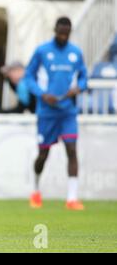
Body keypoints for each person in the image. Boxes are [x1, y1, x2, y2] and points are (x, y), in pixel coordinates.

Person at [25, 17, 88, 210]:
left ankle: (72, 198)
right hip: (47, 112)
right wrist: (42, 95)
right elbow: (29, 76)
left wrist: (78, 89)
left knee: (72, 150)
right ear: (55, 30)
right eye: (60, 32)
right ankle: (35, 191)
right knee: (43, 154)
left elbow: (85, 78)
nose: (63, 36)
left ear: (69, 32)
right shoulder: (42, 51)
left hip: (68, 111)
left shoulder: (76, 53)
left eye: (66, 33)